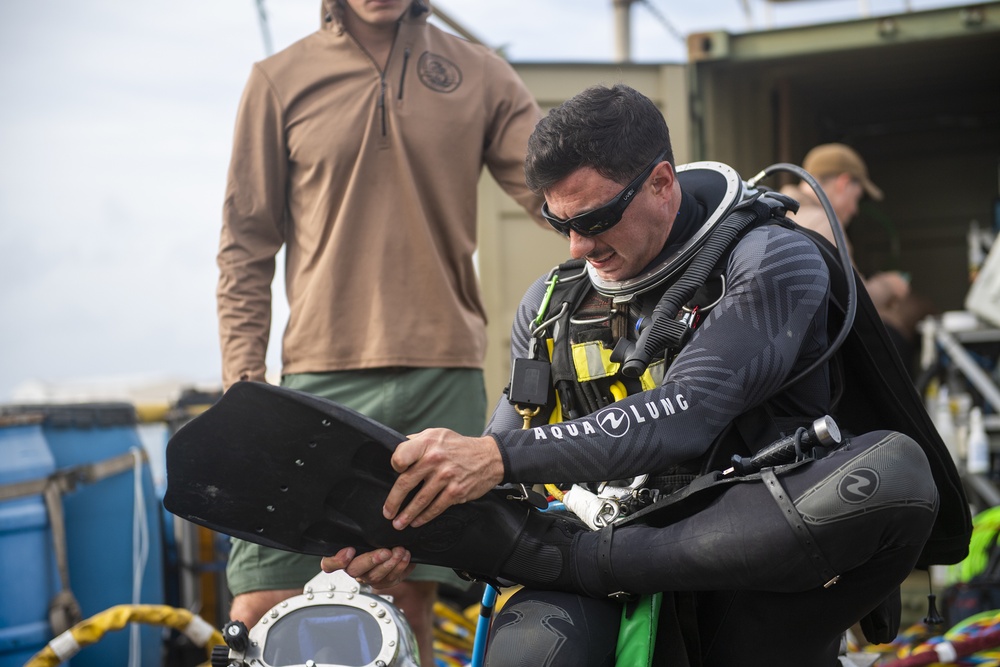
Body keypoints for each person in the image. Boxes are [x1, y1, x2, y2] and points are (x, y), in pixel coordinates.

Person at [318, 84, 969, 665]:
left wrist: (498, 463)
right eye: (559, 222)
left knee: (896, 474)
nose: (577, 246)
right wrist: (402, 537)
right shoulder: (552, 303)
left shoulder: (776, 258)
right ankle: (566, 561)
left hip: (741, 562)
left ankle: (574, 560)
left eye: (596, 219)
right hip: (576, 557)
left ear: (662, 182)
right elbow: (500, 471)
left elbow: (688, 412)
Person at [215, 0, 544, 663]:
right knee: (258, 602)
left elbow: (561, 193)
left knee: (406, 604)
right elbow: (245, 245)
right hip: (316, 379)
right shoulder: (279, 79)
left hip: (441, 378)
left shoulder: (480, 74)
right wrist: (244, 386)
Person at [780, 143, 928, 361]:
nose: (855, 209)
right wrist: (890, 285)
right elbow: (852, 303)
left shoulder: (780, 215)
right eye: (857, 197)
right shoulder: (823, 223)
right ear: (844, 183)